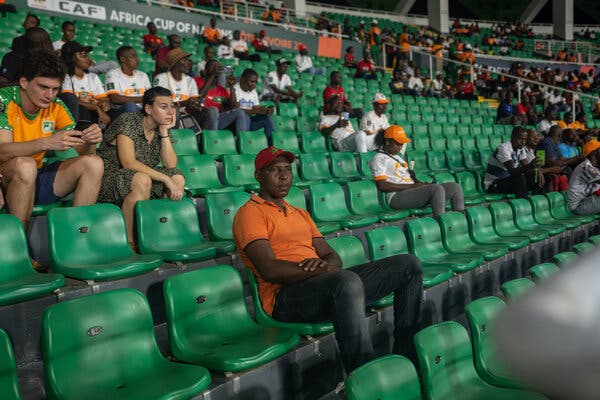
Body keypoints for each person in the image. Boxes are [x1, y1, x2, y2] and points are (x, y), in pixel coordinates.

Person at [232, 146, 423, 373]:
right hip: (283, 297)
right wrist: (317, 270)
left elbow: (332, 257)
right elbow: (269, 270)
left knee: (409, 265)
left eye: (287, 169)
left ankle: (406, 357)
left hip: (322, 283)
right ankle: (365, 379)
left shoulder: (299, 213)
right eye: (275, 170)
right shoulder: (250, 213)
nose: (284, 176)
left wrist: (324, 266)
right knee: (346, 282)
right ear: (258, 175)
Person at [0, 51, 104, 229]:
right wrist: (45, 142)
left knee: (93, 163)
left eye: (55, 89)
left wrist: (90, 140)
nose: (49, 95)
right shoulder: (5, 99)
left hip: (36, 174)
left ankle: (77, 240)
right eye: (43, 87)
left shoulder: (56, 106)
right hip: (6, 177)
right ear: (24, 82)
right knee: (25, 165)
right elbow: (2, 152)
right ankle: (19, 247)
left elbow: (82, 150)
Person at [96, 86, 184, 247]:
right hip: (108, 180)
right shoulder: (128, 120)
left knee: (176, 177)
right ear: (148, 108)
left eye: (172, 106)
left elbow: (170, 165)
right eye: (164, 107)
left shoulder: (160, 127)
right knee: (143, 179)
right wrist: (164, 179)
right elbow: (128, 163)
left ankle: (158, 235)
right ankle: (128, 242)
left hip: (138, 178)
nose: (170, 112)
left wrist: (164, 131)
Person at [370, 126, 464, 215]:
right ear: (387, 141)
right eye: (398, 143)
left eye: (402, 144)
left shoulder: (398, 157)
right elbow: (382, 185)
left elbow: (409, 180)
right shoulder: (379, 158)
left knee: (455, 187)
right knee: (437, 189)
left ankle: (462, 221)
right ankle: (442, 225)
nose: (400, 147)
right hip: (396, 197)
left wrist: (421, 184)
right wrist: (413, 186)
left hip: (411, 191)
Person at [60, 41, 111, 127]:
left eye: (87, 55)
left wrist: (103, 103)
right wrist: (96, 107)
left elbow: (102, 98)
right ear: (71, 58)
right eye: (83, 56)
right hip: (76, 116)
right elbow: (70, 102)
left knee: (115, 112)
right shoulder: (66, 78)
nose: (88, 59)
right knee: (83, 109)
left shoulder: (93, 77)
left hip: (95, 113)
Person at [485, 126, 539, 198]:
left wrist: (538, 171)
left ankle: (534, 202)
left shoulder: (520, 149)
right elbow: (513, 171)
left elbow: (527, 168)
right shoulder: (503, 148)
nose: (523, 142)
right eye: (520, 139)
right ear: (512, 137)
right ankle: (524, 204)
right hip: (494, 184)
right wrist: (530, 166)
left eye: (525, 139)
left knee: (535, 178)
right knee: (519, 177)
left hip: (510, 181)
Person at [195, 59, 247, 133]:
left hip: (215, 122)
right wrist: (212, 76)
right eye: (213, 67)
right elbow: (199, 97)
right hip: (201, 120)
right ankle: (212, 139)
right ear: (206, 70)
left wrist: (231, 86)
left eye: (218, 67)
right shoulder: (197, 82)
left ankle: (241, 142)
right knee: (214, 110)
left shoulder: (222, 90)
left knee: (240, 112)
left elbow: (233, 106)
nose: (216, 69)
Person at [105, 46, 152, 119]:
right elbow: (114, 98)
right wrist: (142, 99)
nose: (137, 59)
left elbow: (150, 96)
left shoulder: (143, 75)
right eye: (133, 56)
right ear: (123, 59)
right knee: (130, 105)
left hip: (142, 111)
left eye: (136, 56)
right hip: (119, 112)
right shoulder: (113, 74)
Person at [234, 68, 275, 142]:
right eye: (252, 81)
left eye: (256, 82)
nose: (254, 84)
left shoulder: (253, 92)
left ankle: (270, 146)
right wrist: (257, 111)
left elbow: (256, 109)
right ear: (243, 79)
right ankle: (242, 143)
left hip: (249, 123)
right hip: (235, 124)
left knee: (267, 118)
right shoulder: (234, 89)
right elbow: (235, 111)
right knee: (244, 116)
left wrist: (265, 111)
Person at [567, 139, 600, 215]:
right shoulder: (586, 167)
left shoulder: (594, 166)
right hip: (577, 206)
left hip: (586, 201)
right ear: (594, 154)